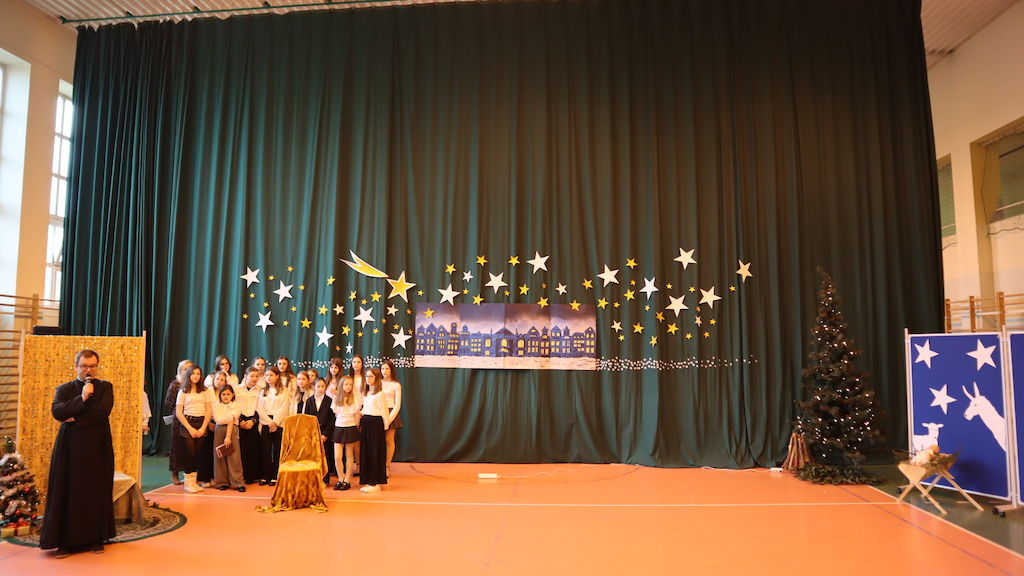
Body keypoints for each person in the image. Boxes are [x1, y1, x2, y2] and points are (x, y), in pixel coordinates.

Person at [39, 349, 115, 558]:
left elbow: (102, 412)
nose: (88, 370)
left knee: (95, 489)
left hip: (97, 445)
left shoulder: (105, 387)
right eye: (84, 366)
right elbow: (58, 412)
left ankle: (95, 538)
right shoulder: (64, 389)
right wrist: (81, 399)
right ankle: (66, 542)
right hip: (70, 448)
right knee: (68, 489)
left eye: (92, 366)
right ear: (76, 367)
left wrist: (74, 417)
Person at [176, 365, 211, 493]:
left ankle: (193, 482)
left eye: (198, 374)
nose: (196, 376)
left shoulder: (205, 391)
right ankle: (187, 483)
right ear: (189, 375)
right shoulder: (183, 391)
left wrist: (202, 428)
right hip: (188, 423)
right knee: (189, 454)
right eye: (193, 373)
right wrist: (190, 429)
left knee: (197, 454)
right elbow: (179, 412)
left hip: (201, 423)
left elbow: (209, 410)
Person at [256, 367, 291, 486]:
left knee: (277, 450)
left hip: (279, 423)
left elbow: (284, 407)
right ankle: (266, 475)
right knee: (265, 450)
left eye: (271, 375)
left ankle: (275, 476)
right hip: (266, 422)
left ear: (277, 376)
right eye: (266, 375)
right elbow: (260, 408)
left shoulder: (284, 390)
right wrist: (269, 422)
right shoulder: (262, 391)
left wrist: (275, 422)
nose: (268, 377)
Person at [211, 378, 246, 492]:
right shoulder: (216, 405)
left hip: (232, 431)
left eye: (228, 394)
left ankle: (238, 482)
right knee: (220, 456)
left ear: (232, 395)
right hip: (219, 430)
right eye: (223, 394)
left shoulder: (236, 405)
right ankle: (222, 482)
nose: (226, 396)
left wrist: (228, 436)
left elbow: (232, 419)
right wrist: (229, 418)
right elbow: (218, 419)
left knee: (234, 457)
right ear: (220, 395)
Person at [358, 368, 389, 493]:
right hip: (366, 423)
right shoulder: (366, 393)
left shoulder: (380, 394)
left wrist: (385, 426)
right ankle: (368, 480)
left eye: (371, 376)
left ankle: (375, 482)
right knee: (366, 452)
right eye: (366, 376)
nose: (368, 379)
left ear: (376, 378)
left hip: (376, 424)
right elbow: (366, 408)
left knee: (375, 452)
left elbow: (384, 411)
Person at [164, 359, 193, 485]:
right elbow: (168, 402)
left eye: (190, 369)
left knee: (190, 447)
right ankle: (175, 474)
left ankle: (190, 473)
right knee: (177, 446)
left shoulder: (194, 385)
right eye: (185, 369)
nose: (187, 371)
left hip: (193, 417)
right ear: (180, 371)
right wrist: (179, 410)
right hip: (179, 420)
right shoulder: (175, 384)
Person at [331, 375, 361, 491]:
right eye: (346, 384)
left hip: (350, 427)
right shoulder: (336, 399)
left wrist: (355, 426)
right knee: (337, 456)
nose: (348, 387)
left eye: (350, 385)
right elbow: (336, 414)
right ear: (341, 385)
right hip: (339, 427)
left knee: (349, 455)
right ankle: (340, 478)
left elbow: (357, 415)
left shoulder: (355, 399)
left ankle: (347, 480)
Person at [235, 367, 263, 485]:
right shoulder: (236, 389)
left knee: (253, 450)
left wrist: (253, 420)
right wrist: (240, 420)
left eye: (256, 376)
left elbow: (260, 407)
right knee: (240, 450)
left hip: (253, 421)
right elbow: (233, 405)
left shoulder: (261, 390)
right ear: (245, 376)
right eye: (252, 376)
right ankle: (240, 476)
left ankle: (251, 476)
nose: (254, 379)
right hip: (240, 421)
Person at [304, 378, 335, 484]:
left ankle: (325, 479)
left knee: (325, 456)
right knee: (313, 456)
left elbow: (332, 420)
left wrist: (325, 434)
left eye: (323, 386)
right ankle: (314, 479)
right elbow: (306, 418)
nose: (320, 389)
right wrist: (311, 433)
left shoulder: (329, 400)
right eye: (318, 386)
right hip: (313, 432)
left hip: (325, 433)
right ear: (314, 387)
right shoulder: (309, 401)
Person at [380, 360, 403, 477]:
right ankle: (377, 466)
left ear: (391, 370)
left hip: (391, 413)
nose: (384, 371)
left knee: (389, 440)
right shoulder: (377, 382)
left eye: (387, 369)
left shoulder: (396, 385)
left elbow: (397, 405)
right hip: (378, 412)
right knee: (378, 441)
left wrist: (388, 420)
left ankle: (387, 466)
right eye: (383, 369)